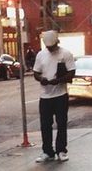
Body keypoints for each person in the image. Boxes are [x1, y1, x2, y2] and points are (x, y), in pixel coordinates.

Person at [32, 30, 75, 162]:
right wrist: (41, 79)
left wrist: (60, 80)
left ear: (57, 42)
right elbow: (36, 72)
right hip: (45, 96)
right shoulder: (41, 55)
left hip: (60, 94)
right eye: (48, 47)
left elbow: (72, 72)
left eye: (52, 46)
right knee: (45, 124)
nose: (50, 49)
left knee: (61, 123)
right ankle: (47, 151)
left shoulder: (66, 54)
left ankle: (61, 150)